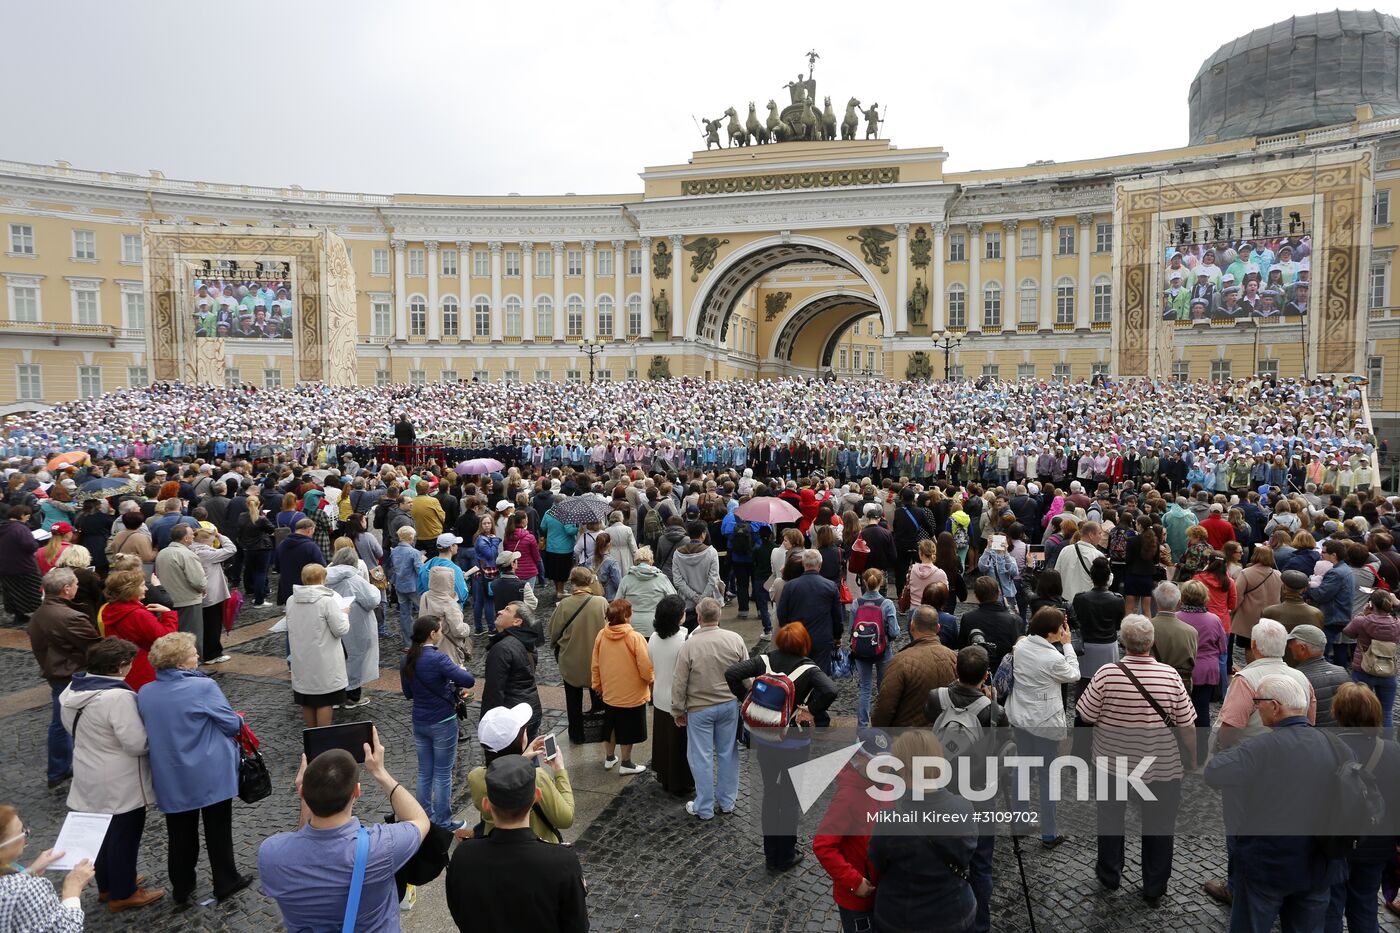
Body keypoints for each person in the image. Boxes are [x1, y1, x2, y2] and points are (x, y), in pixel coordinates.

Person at [1204, 674, 1349, 932]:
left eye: (1258, 701)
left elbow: (1214, 773)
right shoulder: (1337, 746)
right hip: (1319, 866)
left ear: (1274, 706)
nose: (1256, 708)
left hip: (1268, 864)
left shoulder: (1260, 748)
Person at [259, 727, 430, 933]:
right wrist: (380, 772)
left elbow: (299, 845)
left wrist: (306, 799)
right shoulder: (382, 847)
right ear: (356, 792)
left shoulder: (271, 854)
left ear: (302, 791)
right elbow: (419, 820)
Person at [1076, 615, 1195, 905]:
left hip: (1112, 765)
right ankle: (1154, 886)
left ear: (1123, 642)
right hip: (1161, 765)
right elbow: (1187, 725)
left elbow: (1086, 716)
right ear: (1151, 642)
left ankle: (1110, 873)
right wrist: (1192, 758)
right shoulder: (1170, 675)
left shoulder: (1106, 674)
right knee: (1159, 826)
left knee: (1110, 819)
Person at [137, 632, 252, 907]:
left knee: (179, 834)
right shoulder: (203, 688)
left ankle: (182, 887)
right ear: (179, 663)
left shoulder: (145, 692)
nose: (197, 655)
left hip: (171, 773)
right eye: (192, 652)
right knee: (218, 830)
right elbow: (231, 725)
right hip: (210, 769)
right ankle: (225, 880)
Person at [57, 637, 164, 911]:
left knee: (101, 836)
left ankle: (108, 885)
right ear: (119, 666)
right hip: (120, 779)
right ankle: (124, 892)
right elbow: (136, 743)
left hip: (87, 770)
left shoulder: (71, 690)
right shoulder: (118, 697)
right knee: (124, 836)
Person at [723, 621, 838, 871]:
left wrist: (747, 700)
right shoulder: (809, 670)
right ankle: (785, 853)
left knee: (770, 794)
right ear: (804, 643)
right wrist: (810, 710)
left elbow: (732, 673)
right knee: (788, 798)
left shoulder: (764, 660)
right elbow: (831, 690)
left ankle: (769, 853)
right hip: (794, 743)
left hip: (763, 739)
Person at [445, 756, 589, 933]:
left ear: (486, 804)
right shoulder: (562, 861)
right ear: (536, 796)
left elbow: (459, 912)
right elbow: (577, 926)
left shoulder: (463, 857)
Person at [923, 644, 1008, 933]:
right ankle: (979, 925)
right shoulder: (994, 711)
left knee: (938, 858)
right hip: (978, 794)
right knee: (981, 864)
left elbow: (929, 719)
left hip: (939, 791)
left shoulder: (936, 698)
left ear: (955, 670)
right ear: (986, 674)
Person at [865, 731, 978, 933]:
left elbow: (877, 861)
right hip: (956, 913)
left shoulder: (889, 819)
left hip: (903, 918)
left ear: (905, 770)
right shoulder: (964, 806)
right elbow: (967, 852)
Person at [1325, 682, 1400, 932]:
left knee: (1331, 908)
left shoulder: (1326, 747)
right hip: (1377, 845)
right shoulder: (1394, 752)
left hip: (1335, 843)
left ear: (1338, 712)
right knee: (1365, 907)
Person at [1007, 607, 1080, 848]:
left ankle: (1020, 822)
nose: (1064, 630)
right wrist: (1068, 645)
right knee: (1047, 776)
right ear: (1052, 633)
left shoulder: (1021, 647)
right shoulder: (1054, 658)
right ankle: (1049, 832)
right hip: (1045, 722)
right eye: (1061, 627)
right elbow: (1074, 675)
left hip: (1021, 716)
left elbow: (1020, 640)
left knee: (1023, 769)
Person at [812, 729, 896, 933]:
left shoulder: (885, 784)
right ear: (859, 757)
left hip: (882, 892)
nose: (884, 768)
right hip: (857, 899)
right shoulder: (848, 797)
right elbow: (822, 845)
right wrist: (854, 881)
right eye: (876, 763)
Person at [672, 596, 747, 820]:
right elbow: (746, 675)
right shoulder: (735, 639)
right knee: (727, 753)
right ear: (719, 616)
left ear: (700, 617)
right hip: (728, 705)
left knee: (701, 757)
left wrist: (677, 709)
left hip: (699, 708)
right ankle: (727, 802)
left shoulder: (690, 645)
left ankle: (704, 807)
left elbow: (679, 681)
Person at [27, 567, 101, 789]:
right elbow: (94, 645)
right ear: (66, 589)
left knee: (61, 723)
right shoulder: (70, 616)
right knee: (68, 723)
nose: (78, 587)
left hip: (56, 671)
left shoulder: (41, 612)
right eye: (76, 584)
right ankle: (63, 770)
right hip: (72, 673)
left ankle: (59, 770)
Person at [400, 615, 475, 830]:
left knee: (425, 771)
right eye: (440, 630)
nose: (441, 633)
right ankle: (443, 821)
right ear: (433, 634)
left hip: (419, 720)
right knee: (443, 773)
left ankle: (424, 816)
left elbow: (408, 692)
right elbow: (469, 681)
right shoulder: (439, 659)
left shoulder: (406, 658)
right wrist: (457, 675)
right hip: (442, 720)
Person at [1216, 620, 1316, 750]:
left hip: (1251, 756)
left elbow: (1231, 727)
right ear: (1284, 645)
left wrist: (1221, 749)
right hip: (1292, 751)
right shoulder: (1302, 678)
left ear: (1254, 645)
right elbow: (1310, 721)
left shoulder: (1244, 680)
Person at [0, 803, 95, 930]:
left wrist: (30, 872)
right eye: (21, 832)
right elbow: (65, 929)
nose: (27, 832)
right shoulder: (26, 890)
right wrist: (72, 889)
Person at [591, 598, 654, 774]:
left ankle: (610, 758)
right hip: (632, 694)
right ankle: (626, 763)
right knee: (629, 729)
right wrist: (650, 680)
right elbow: (645, 667)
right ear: (627, 616)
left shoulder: (601, 635)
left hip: (610, 692)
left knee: (610, 725)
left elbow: (595, 664)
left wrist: (597, 685)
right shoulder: (635, 637)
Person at [870, 604, 958, 728]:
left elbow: (886, 706)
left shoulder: (900, 661)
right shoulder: (954, 658)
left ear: (912, 627)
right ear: (938, 628)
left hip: (908, 737)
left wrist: (877, 732)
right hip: (944, 735)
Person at [550, 566, 609, 744]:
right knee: (599, 694)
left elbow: (553, 632)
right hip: (597, 659)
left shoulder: (564, 605)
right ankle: (603, 730)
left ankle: (576, 734)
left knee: (573, 699)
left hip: (571, 659)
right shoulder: (601, 602)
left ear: (572, 582)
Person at [287, 563, 350, 728]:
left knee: (307, 699)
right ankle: (323, 739)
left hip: (302, 657)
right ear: (323, 578)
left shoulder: (291, 600)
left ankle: (312, 738)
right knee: (324, 699)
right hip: (324, 660)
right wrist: (344, 614)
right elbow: (340, 629)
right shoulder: (327, 601)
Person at [98, 569, 178, 691]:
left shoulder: (110, 609)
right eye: (142, 585)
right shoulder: (137, 614)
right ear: (130, 589)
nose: (146, 588)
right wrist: (168, 614)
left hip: (125, 667)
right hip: (145, 669)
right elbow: (165, 639)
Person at [325, 546, 382, 710]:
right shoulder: (354, 579)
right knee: (354, 657)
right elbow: (371, 600)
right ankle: (352, 696)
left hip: (331, 624)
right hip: (354, 624)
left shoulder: (325, 576)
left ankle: (334, 696)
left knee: (335, 659)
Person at [647, 594, 693, 796]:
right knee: (679, 745)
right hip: (679, 699)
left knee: (664, 742)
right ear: (679, 617)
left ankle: (665, 777)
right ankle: (680, 782)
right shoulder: (685, 641)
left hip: (659, 695)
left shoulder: (654, 638)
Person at [776, 549, 844, 678]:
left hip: (797, 638)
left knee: (798, 674)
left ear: (803, 564)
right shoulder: (830, 586)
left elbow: (782, 614)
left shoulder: (790, 586)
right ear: (820, 564)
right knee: (820, 676)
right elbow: (837, 616)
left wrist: (789, 632)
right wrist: (837, 636)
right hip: (822, 638)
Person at [481, 601, 542, 740]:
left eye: (507, 610)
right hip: (531, 710)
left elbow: (494, 690)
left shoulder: (502, 648)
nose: (500, 611)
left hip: (512, 716)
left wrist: (487, 723)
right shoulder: (527, 642)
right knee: (529, 757)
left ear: (517, 621)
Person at [849, 568, 901, 729]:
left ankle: (862, 726)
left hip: (861, 651)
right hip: (882, 650)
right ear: (882, 582)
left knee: (865, 688)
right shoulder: (887, 604)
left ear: (864, 583)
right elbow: (894, 632)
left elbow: (851, 629)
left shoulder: (856, 603)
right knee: (882, 688)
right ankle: (882, 724)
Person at [1343, 588, 1400, 728]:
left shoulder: (1361, 621)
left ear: (1371, 604)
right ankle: (1387, 744)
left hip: (1363, 669)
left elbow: (1347, 632)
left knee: (1360, 710)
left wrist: (1362, 613)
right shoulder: (1397, 623)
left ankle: (1363, 741)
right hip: (1388, 671)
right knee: (1386, 713)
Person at [153, 523, 207, 658]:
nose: (193, 537)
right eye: (191, 535)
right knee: (191, 637)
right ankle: (192, 668)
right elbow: (197, 581)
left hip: (168, 601)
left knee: (175, 637)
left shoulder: (162, 552)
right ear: (185, 539)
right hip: (188, 600)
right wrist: (203, 588)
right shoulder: (187, 554)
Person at [1073, 556, 1125, 692]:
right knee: (1108, 683)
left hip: (1086, 645)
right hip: (1108, 644)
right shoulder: (1118, 600)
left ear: (1091, 576)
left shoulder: (1080, 598)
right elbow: (1118, 624)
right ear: (1108, 578)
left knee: (1084, 683)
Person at [1285, 624, 1352, 727]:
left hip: (1314, 738)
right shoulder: (1342, 672)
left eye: (1291, 643)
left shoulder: (1296, 678)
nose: (1289, 646)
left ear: (1302, 648)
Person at [188, 526, 236, 665]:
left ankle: (204, 651)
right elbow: (231, 549)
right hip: (212, 593)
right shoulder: (207, 553)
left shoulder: (191, 548)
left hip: (200, 593)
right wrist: (220, 536)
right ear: (205, 541)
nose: (212, 544)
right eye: (211, 541)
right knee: (213, 624)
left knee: (204, 623)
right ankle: (212, 654)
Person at [957, 575, 1022, 672]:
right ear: (999, 592)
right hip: (1004, 669)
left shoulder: (968, 618)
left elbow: (962, 647)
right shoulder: (1015, 620)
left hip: (976, 669)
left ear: (976, 595)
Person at [615, 545, 677, 637]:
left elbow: (617, 602)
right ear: (651, 561)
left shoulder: (626, 579)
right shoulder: (661, 578)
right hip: (655, 624)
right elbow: (674, 599)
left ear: (635, 561)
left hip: (631, 626)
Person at [1148, 581, 1199, 690]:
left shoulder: (1145, 627)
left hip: (1151, 681)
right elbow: (1192, 661)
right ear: (1179, 603)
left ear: (1156, 601)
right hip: (1178, 684)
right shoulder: (1191, 632)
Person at [672, 520, 722, 628]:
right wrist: (701, 599)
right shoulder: (711, 552)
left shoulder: (677, 554)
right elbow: (713, 580)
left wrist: (694, 597)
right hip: (709, 605)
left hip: (687, 605)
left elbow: (678, 581)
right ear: (703, 534)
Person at [1232, 545, 1281, 655]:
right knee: (1267, 648)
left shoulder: (1246, 573)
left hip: (1249, 618)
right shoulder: (1278, 575)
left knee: (1250, 647)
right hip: (1271, 617)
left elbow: (1238, 596)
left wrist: (1232, 611)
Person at [233, 494, 275, 605]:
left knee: (251, 571)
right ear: (259, 504)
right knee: (261, 573)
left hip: (248, 548)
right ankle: (259, 599)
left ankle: (253, 592)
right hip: (262, 548)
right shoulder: (261, 519)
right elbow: (271, 529)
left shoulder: (242, 516)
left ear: (247, 504)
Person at [276, 517, 326, 606]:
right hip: (306, 590)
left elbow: (277, 566)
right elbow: (322, 567)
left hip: (287, 588)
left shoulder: (282, 544)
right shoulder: (311, 547)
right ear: (310, 530)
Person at [388, 526, 424, 643]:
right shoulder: (414, 552)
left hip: (399, 585)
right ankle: (423, 638)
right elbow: (420, 570)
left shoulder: (394, 551)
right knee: (423, 611)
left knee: (404, 614)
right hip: (413, 586)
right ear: (411, 537)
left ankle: (407, 642)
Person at [540, 506, 579, 598]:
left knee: (554, 570)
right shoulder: (567, 513)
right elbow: (569, 530)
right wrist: (577, 529)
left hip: (551, 546)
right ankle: (560, 592)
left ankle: (558, 589)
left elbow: (543, 527)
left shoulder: (548, 512)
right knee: (562, 571)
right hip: (564, 548)